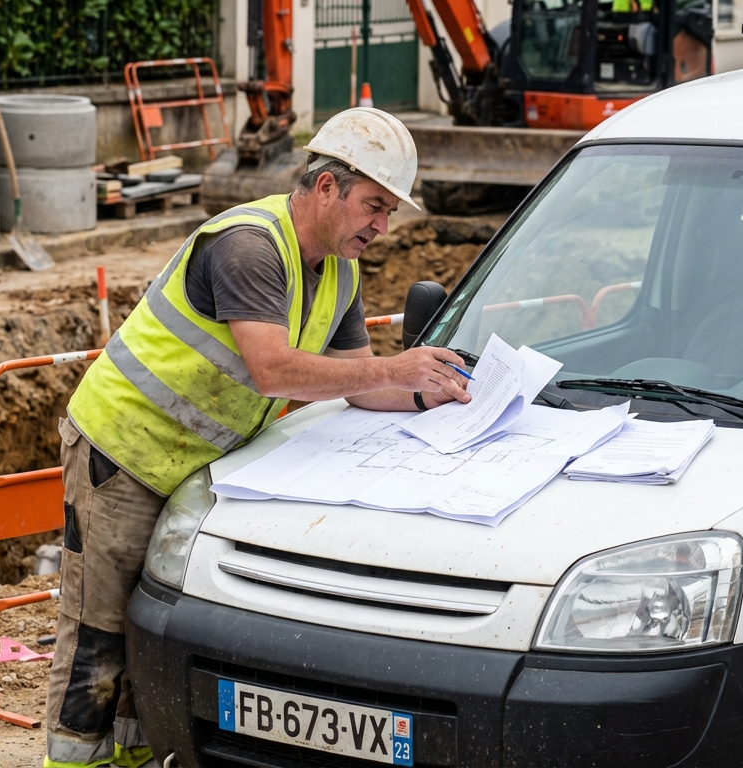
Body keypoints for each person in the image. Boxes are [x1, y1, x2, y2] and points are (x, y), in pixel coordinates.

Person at [44, 107, 472, 768]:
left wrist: (434, 393)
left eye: (389, 212)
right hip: (124, 451)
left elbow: (359, 383)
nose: (382, 227)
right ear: (326, 187)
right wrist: (396, 369)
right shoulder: (249, 247)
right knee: (99, 630)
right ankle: (72, 761)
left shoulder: (339, 271)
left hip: (194, 468)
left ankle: (130, 758)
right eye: (374, 206)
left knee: (148, 628)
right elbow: (273, 370)